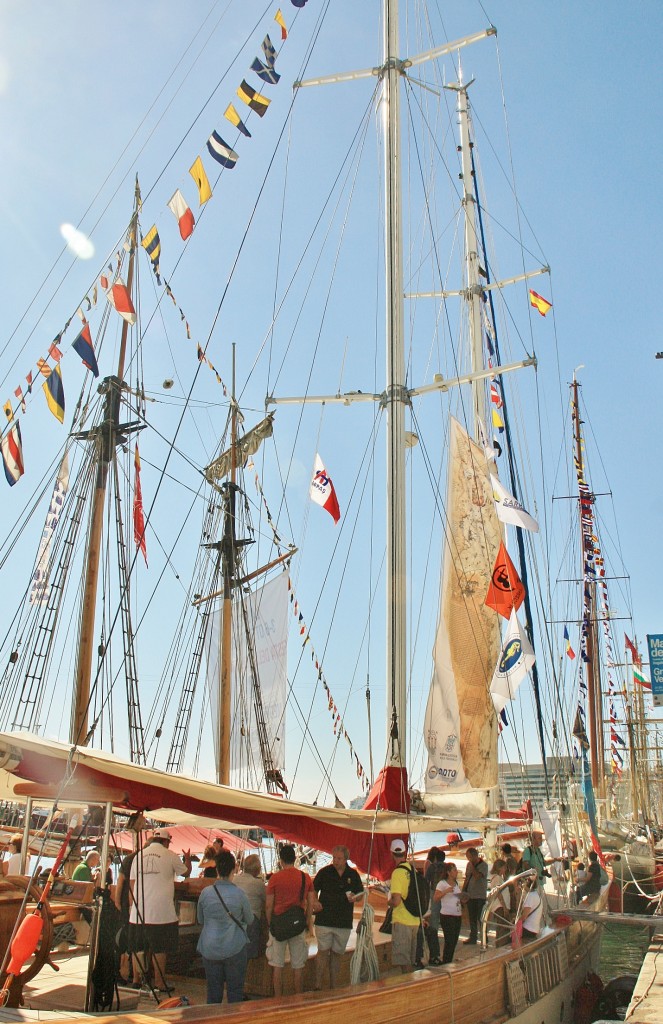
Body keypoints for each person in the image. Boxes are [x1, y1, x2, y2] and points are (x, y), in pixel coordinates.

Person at [129, 827, 191, 994]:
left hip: (138, 911)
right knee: (159, 948)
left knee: (139, 947)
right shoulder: (170, 855)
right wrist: (187, 859)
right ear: (165, 841)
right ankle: (159, 982)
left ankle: (136, 980)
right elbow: (186, 873)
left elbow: (133, 883)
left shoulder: (138, 856)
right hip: (161, 912)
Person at [197, 850, 253, 1004]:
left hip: (209, 948)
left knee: (213, 993)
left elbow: (200, 919)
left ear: (216, 869)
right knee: (235, 992)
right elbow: (249, 918)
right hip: (234, 947)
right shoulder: (240, 894)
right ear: (234, 869)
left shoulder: (205, 893)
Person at [265, 843, 314, 996]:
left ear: (281, 860)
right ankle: (298, 997)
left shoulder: (274, 878)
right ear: (295, 859)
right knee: (298, 965)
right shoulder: (305, 878)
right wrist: (307, 923)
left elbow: (268, 906)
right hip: (297, 925)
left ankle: (278, 999)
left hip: (279, 925)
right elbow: (310, 904)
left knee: (277, 966)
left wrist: (270, 923)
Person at [312, 845, 363, 989]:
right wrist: (315, 901)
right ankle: (318, 985)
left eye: (339, 858)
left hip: (343, 921)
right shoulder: (325, 872)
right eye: (334, 858)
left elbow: (360, 893)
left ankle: (333, 986)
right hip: (324, 919)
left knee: (337, 954)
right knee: (322, 951)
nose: (336, 861)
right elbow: (314, 889)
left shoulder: (353, 875)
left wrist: (355, 898)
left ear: (346, 859)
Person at [387, 838, 420, 973]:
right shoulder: (413, 870)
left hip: (402, 920)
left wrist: (388, 901)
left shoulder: (397, 873)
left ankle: (409, 990)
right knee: (410, 960)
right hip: (415, 920)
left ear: (391, 853)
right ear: (404, 852)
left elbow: (396, 901)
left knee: (403, 961)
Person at [114, 850, 140, 986]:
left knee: (126, 939)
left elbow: (120, 880)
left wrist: (118, 901)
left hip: (128, 904)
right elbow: (122, 880)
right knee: (127, 939)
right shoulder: (132, 859)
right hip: (129, 904)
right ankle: (125, 972)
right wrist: (118, 901)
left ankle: (127, 973)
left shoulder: (130, 858)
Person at [415, 848, 444, 968]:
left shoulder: (432, 867)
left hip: (430, 898)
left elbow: (427, 880)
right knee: (424, 931)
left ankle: (432, 957)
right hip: (413, 920)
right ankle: (422, 958)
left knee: (431, 929)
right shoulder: (435, 866)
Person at [234, 854, 266, 960]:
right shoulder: (258, 883)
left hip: (234, 918)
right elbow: (267, 900)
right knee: (249, 953)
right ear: (257, 869)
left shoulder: (234, 880)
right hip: (250, 920)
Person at [433, 863, 462, 964]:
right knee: (449, 940)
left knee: (454, 940)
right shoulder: (442, 883)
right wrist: (446, 891)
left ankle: (449, 960)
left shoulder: (456, 883)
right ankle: (446, 961)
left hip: (457, 914)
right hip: (447, 915)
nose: (456, 872)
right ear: (448, 872)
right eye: (454, 870)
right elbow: (436, 898)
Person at [462, 848, 488, 945]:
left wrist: (472, 865)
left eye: (469, 857)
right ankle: (473, 937)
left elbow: (477, 876)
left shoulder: (483, 865)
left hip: (479, 896)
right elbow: (467, 878)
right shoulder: (468, 865)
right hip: (470, 895)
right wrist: (463, 891)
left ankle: (484, 937)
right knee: (472, 918)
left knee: (480, 918)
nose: (468, 859)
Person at [488, 859, 511, 947]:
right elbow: (498, 893)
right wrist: (504, 907)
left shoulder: (498, 877)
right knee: (502, 927)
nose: (505, 869)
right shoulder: (497, 878)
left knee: (502, 926)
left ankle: (500, 944)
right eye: (504, 867)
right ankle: (500, 945)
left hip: (500, 905)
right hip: (500, 906)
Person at [520, 876, 544, 941]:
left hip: (528, 928)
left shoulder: (530, 896)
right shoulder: (536, 894)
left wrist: (516, 922)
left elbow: (524, 916)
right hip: (534, 928)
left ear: (526, 884)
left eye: (522, 883)